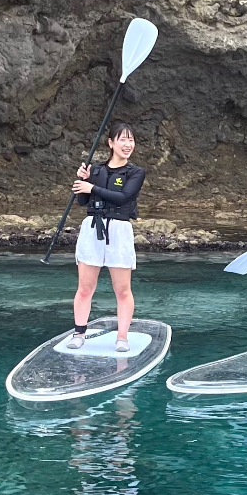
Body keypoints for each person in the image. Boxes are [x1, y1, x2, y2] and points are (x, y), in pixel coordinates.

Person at [66, 122, 146, 352]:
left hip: (119, 230)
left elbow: (123, 197)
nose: (127, 144)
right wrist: (84, 180)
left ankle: (122, 337)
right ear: (111, 143)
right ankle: (79, 332)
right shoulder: (96, 170)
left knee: (122, 289)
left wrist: (91, 188)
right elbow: (82, 201)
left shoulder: (135, 172)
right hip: (93, 227)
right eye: (122, 139)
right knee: (84, 287)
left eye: (130, 139)